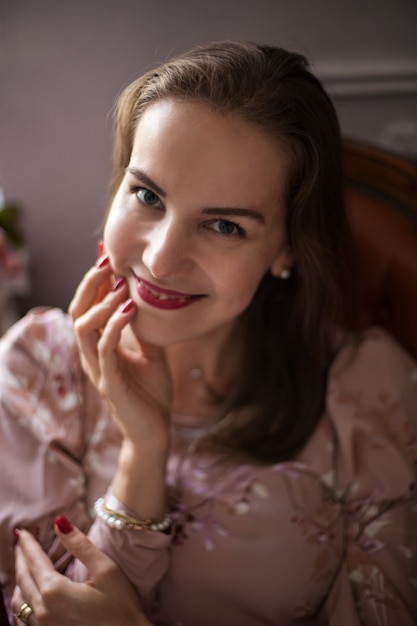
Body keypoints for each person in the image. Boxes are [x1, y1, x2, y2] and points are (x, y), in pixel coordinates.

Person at [1, 40, 416, 626]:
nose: (162, 260)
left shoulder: (369, 389)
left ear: (287, 246)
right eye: (147, 194)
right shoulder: (34, 365)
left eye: (224, 225)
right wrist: (142, 454)